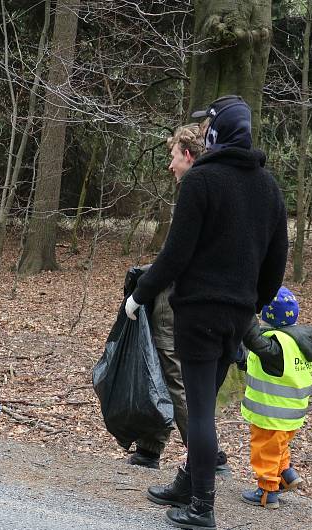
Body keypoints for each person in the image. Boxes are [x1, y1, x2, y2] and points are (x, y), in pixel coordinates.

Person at [124, 95, 289, 530]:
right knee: (204, 407)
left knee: (198, 411)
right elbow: (275, 269)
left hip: (198, 315)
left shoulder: (202, 180)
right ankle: (187, 481)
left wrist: (140, 294)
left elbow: (176, 255)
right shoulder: (269, 188)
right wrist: (248, 306)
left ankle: (201, 508)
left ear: (217, 133)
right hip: (236, 317)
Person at [129, 125, 207, 470]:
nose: (170, 165)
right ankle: (150, 448)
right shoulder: (204, 188)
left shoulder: (196, 188)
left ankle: (205, 452)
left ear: (187, 156)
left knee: (171, 373)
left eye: (173, 157)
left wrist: (143, 289)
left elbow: (177, 256)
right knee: (159, 367)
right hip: (182, 296)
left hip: (176, 299)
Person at [240, 287, 312, 509]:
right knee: (279, 445)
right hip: (292, 413)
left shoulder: (276, 345)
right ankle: (286, 474)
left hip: (271, 412)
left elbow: (253, 339)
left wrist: (245, 307)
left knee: (265, 449)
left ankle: (267, 491)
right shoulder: (302, 342)